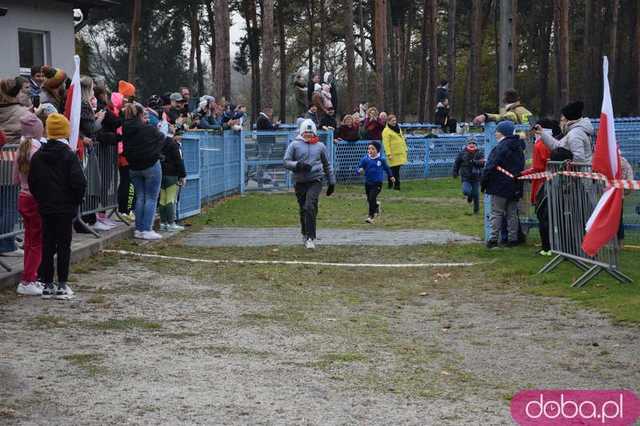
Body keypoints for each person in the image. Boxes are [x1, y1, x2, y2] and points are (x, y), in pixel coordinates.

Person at [29, 113, 87, 300]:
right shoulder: (69, 156)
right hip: (64, 206)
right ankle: (62, 284)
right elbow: (78, 182)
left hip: (46, 206)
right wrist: (75, 201)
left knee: (47, 244)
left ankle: (47, 284)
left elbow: (33, 182)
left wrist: (41, 199)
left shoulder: (38, 156)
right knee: (63, 245)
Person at [283, 119, 336, 249]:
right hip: (300, 181)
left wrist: (331, 182)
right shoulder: (294, 145)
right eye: (306, 133)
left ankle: (311, 237)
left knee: (309, 206)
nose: (308, 135)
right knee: (303, 209)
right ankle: (304, 232)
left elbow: (327, 164)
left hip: (315, 180)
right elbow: (286, 161)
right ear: (301, 132)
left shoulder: (320, 146)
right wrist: (298, 165)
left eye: (310, 133)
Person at [122, 102, 165, 240]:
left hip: (134, 167)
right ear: (141, 115)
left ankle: (139, 229)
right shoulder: (148, 129)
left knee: (140, 197)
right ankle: (147, 229)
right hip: (151, 164)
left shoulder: (125, 128)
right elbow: (162, 138)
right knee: (151, 197)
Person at [13, 113, 45, 295]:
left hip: (23, 196)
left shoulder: (21, 148)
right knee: (36, 242)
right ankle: (28, 279)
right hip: (35, 198)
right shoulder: (37, 151)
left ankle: (28, 276)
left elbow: (16, 177)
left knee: (30, 240)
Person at [481, 120, 525, 249]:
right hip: (515, 184)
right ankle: (513, 240)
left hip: (499, 184)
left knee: (497, 212)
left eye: (498, 132)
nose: (496, 134)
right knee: (512, 213)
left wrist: (484, 182)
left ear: (503, 133)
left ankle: (493, 239)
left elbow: (490, 165)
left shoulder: (501, 147)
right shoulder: (518, 146)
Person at [0, 77, 29, 258]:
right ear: (16, 92)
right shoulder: (22, 112)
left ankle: (6, 240)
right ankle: (6, 244)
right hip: (10, 161)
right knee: (10, 205)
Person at [357, 141, 394, 223]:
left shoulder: (381, 160)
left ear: (377, 150)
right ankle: (376, 205)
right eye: (369, 148)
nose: (370, 150)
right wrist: (359, 171)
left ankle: (371, 216)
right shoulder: (365, 159)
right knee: (369, 200)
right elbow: (359, 168)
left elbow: (387, 169)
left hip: (377, 183)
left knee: (372, 198)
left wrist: (391, 176)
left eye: (373, 149)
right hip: (368, 183)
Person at [159, 133, 187, 232]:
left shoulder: (159, 143)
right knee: (170, 199)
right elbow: (179, 161)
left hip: (161, 173)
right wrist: (183, 175)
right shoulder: (174, 145)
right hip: (172, 174)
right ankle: (171, 223)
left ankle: (163, 223)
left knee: (162, 199)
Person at [452, 139, 485, 214]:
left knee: (476, 194)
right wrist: (455, 172)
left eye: (473, 143)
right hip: (465, 177)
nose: (472, 144)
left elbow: (482, 163)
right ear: (467, 144)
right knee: (466, 191)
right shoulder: (462, 153)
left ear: (476, 145)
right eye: (470, 143)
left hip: (476, 177)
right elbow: (457, 163)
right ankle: (469, 197)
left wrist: (475, 162)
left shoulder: (479, 153)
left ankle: (476, 211)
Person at [381, 114, 408, 190]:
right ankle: (396, 186)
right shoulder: (386, 131)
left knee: (395, 171)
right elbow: (386, 144)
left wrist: (405, 148)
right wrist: (388, 154)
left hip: (400, 153)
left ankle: (391, 185)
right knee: (393, 171)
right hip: (392, 154)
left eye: (395, 120)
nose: (394, 122)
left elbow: (402, 139)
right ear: (388, 121)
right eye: (392, 121)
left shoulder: (398, 128)